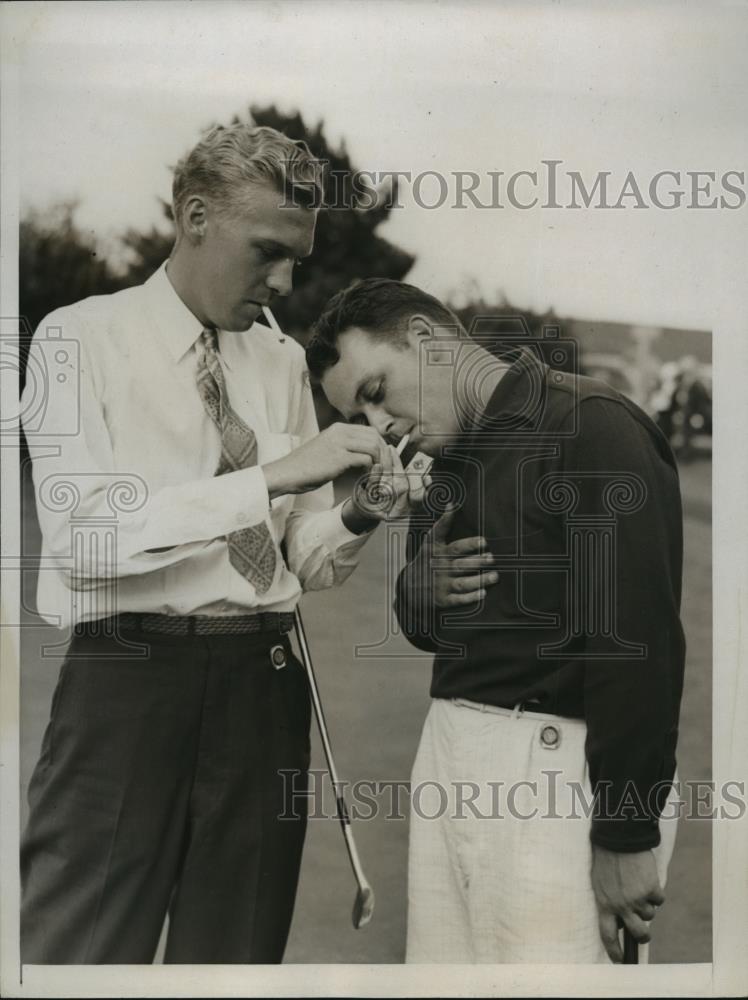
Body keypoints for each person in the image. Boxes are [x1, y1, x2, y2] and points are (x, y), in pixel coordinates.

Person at [20, 125, 411, 964]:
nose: (283, 280)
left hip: (262, 689)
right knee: (77, 956)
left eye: (297, 257)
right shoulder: (76, 339)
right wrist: (272, 477)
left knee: (232, 967)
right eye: (268, 250)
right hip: (125, 685)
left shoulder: (276, 360)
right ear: (195, 217)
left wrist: (358, 512)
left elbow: (293, 556)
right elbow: (85, 539)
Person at [306, 278, 686, 964]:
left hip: (554, 770)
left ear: (427, 339)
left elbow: (638, 645)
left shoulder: (591, 422)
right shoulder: (441, 454)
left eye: (374, 392)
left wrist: (627, 831)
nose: (378, 427)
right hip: (451, 755)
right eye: (359, 417)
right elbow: (441, 625)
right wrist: (413, 596)